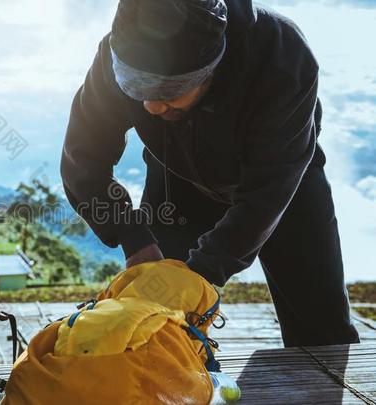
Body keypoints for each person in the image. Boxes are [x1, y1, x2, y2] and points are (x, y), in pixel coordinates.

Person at [60, 0, 360, 347]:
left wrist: (204, 270)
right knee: (156, 320)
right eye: (138, 88)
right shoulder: (117, 55)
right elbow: (83, 160)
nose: (152, 107)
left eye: (170, 92)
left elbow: (266, 193)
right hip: (178, 181)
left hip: (283, 187)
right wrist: (133, 236)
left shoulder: (282, 57)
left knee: (323, 332)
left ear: (212, 68)